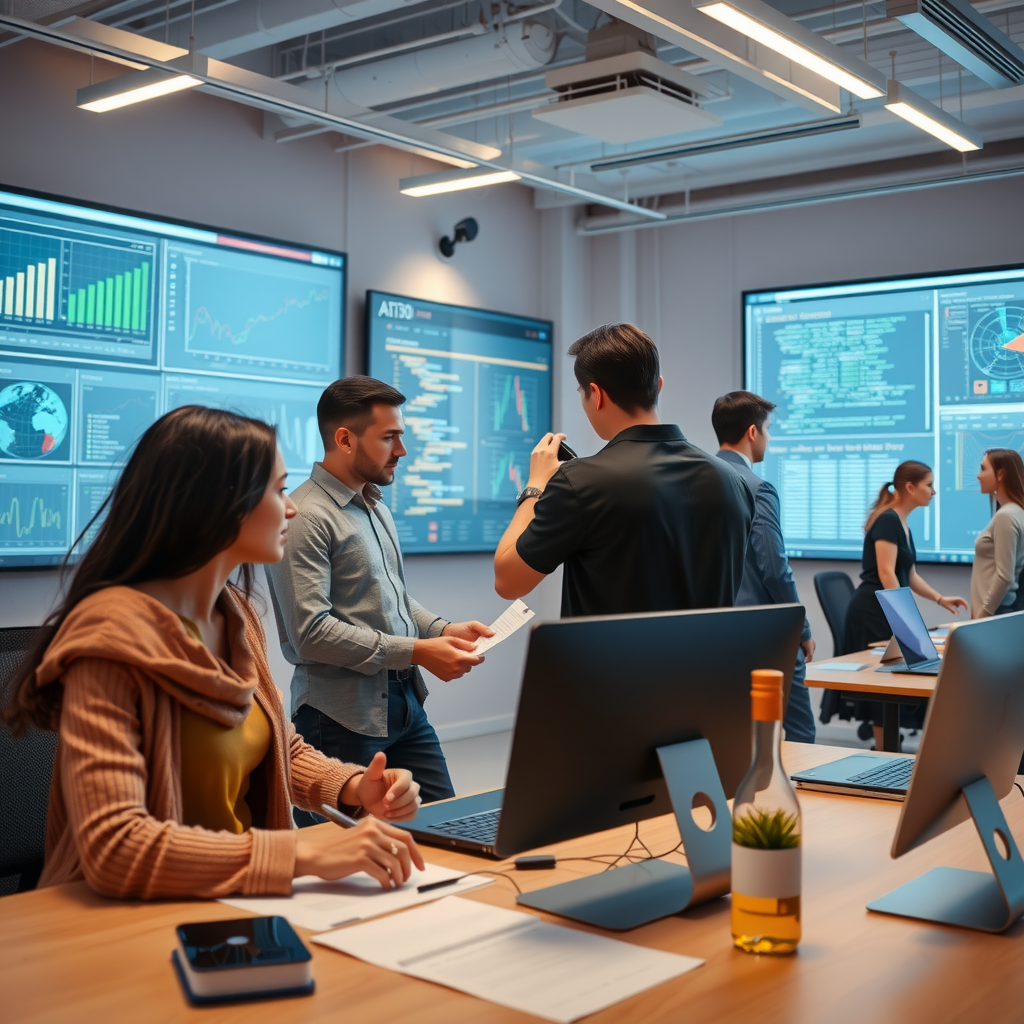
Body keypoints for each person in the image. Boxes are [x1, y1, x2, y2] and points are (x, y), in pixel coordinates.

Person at [2, 406, 425, 899]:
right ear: (221, 504)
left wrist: (354, 787)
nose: (292, 509)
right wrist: (305, 855)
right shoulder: (111, 639)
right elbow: (116, 847)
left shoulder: (236, 616)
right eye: (279, 490)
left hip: (236, 898)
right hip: (135, 915)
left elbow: (274, 746)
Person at [266, 376, 493, 807]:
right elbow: (311, 634)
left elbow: (393, 597)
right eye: (389, 438)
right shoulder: (306, 517)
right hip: (338, 720)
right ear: (345, 439)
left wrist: (442, 630)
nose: (402, 451)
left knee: (447, 823)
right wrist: (417, 651)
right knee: (344, 858)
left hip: (405, 704)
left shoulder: (374, 505)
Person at [493, 323, 753, 617]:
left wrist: (536, 486)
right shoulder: (733, 481)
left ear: (596, 394)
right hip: (712, 663)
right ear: (658, 386)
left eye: (582, 393)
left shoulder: (581, 483)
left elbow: (508, 582)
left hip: (611, 664)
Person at [712, 391, 816, 744]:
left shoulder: (692, 480)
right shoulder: (757, 488)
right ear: (753, 432)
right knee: (800, 732)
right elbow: (774, 568)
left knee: (730, 734)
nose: (768, 438)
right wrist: (802, 628)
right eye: (768, 429)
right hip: (765, 634)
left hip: (709, 632)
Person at [844, 459, 968, 748]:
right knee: (883, 689)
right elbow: (886, 573)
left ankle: (890, 753)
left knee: (902, 678)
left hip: (886, 606)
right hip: (872, 611)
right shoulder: (887, 519)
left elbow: (908, 575)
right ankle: (885, 757)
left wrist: (939, 598)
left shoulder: (902, 522)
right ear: (910, 487)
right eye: (929, 485)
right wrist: (904, 619)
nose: (933, 492)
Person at [971, 448, 1024, 618]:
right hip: (1000, 613)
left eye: (983, 468)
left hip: (994, 615)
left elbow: (1004, 577)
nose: (978, 476)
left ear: (1000, 474)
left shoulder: (1006, 516)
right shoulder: (1016, 511)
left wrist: (981, 617)